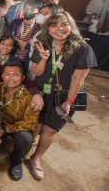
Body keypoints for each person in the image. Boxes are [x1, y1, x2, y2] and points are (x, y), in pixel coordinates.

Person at [29, 11, 97, 181]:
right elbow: (35, 72)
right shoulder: (42, 43)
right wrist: (43, 59)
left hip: (65, 96)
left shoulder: (83, 49)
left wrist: (69, 101)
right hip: (41, 91)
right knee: (35, 122)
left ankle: (36, 158)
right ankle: (27, 145)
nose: (59, 28)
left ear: (71, 25)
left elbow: (77, 78)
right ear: (48, 29)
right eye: (54, 25)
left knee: (51, 129)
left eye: (64, 24)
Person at [0, 60, 40, 181]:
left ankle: (16, 159)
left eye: (15, 75)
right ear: (2, 76)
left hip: (17, 127)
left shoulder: (30, 97)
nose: (11, 78)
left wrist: (5, 129)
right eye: (7, 74)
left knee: (26, 139)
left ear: (23, 77)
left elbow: (29, 123)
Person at [6, 0, 43, 70]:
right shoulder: (15, 22)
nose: (28, 11)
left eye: (32, 9)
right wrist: (13, 40)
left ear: (39, 12)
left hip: (27, 59)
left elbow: (38, 47)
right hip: (12, 55)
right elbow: (6, 35)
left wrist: (26, 46)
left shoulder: (39, 28)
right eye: (26, 8)